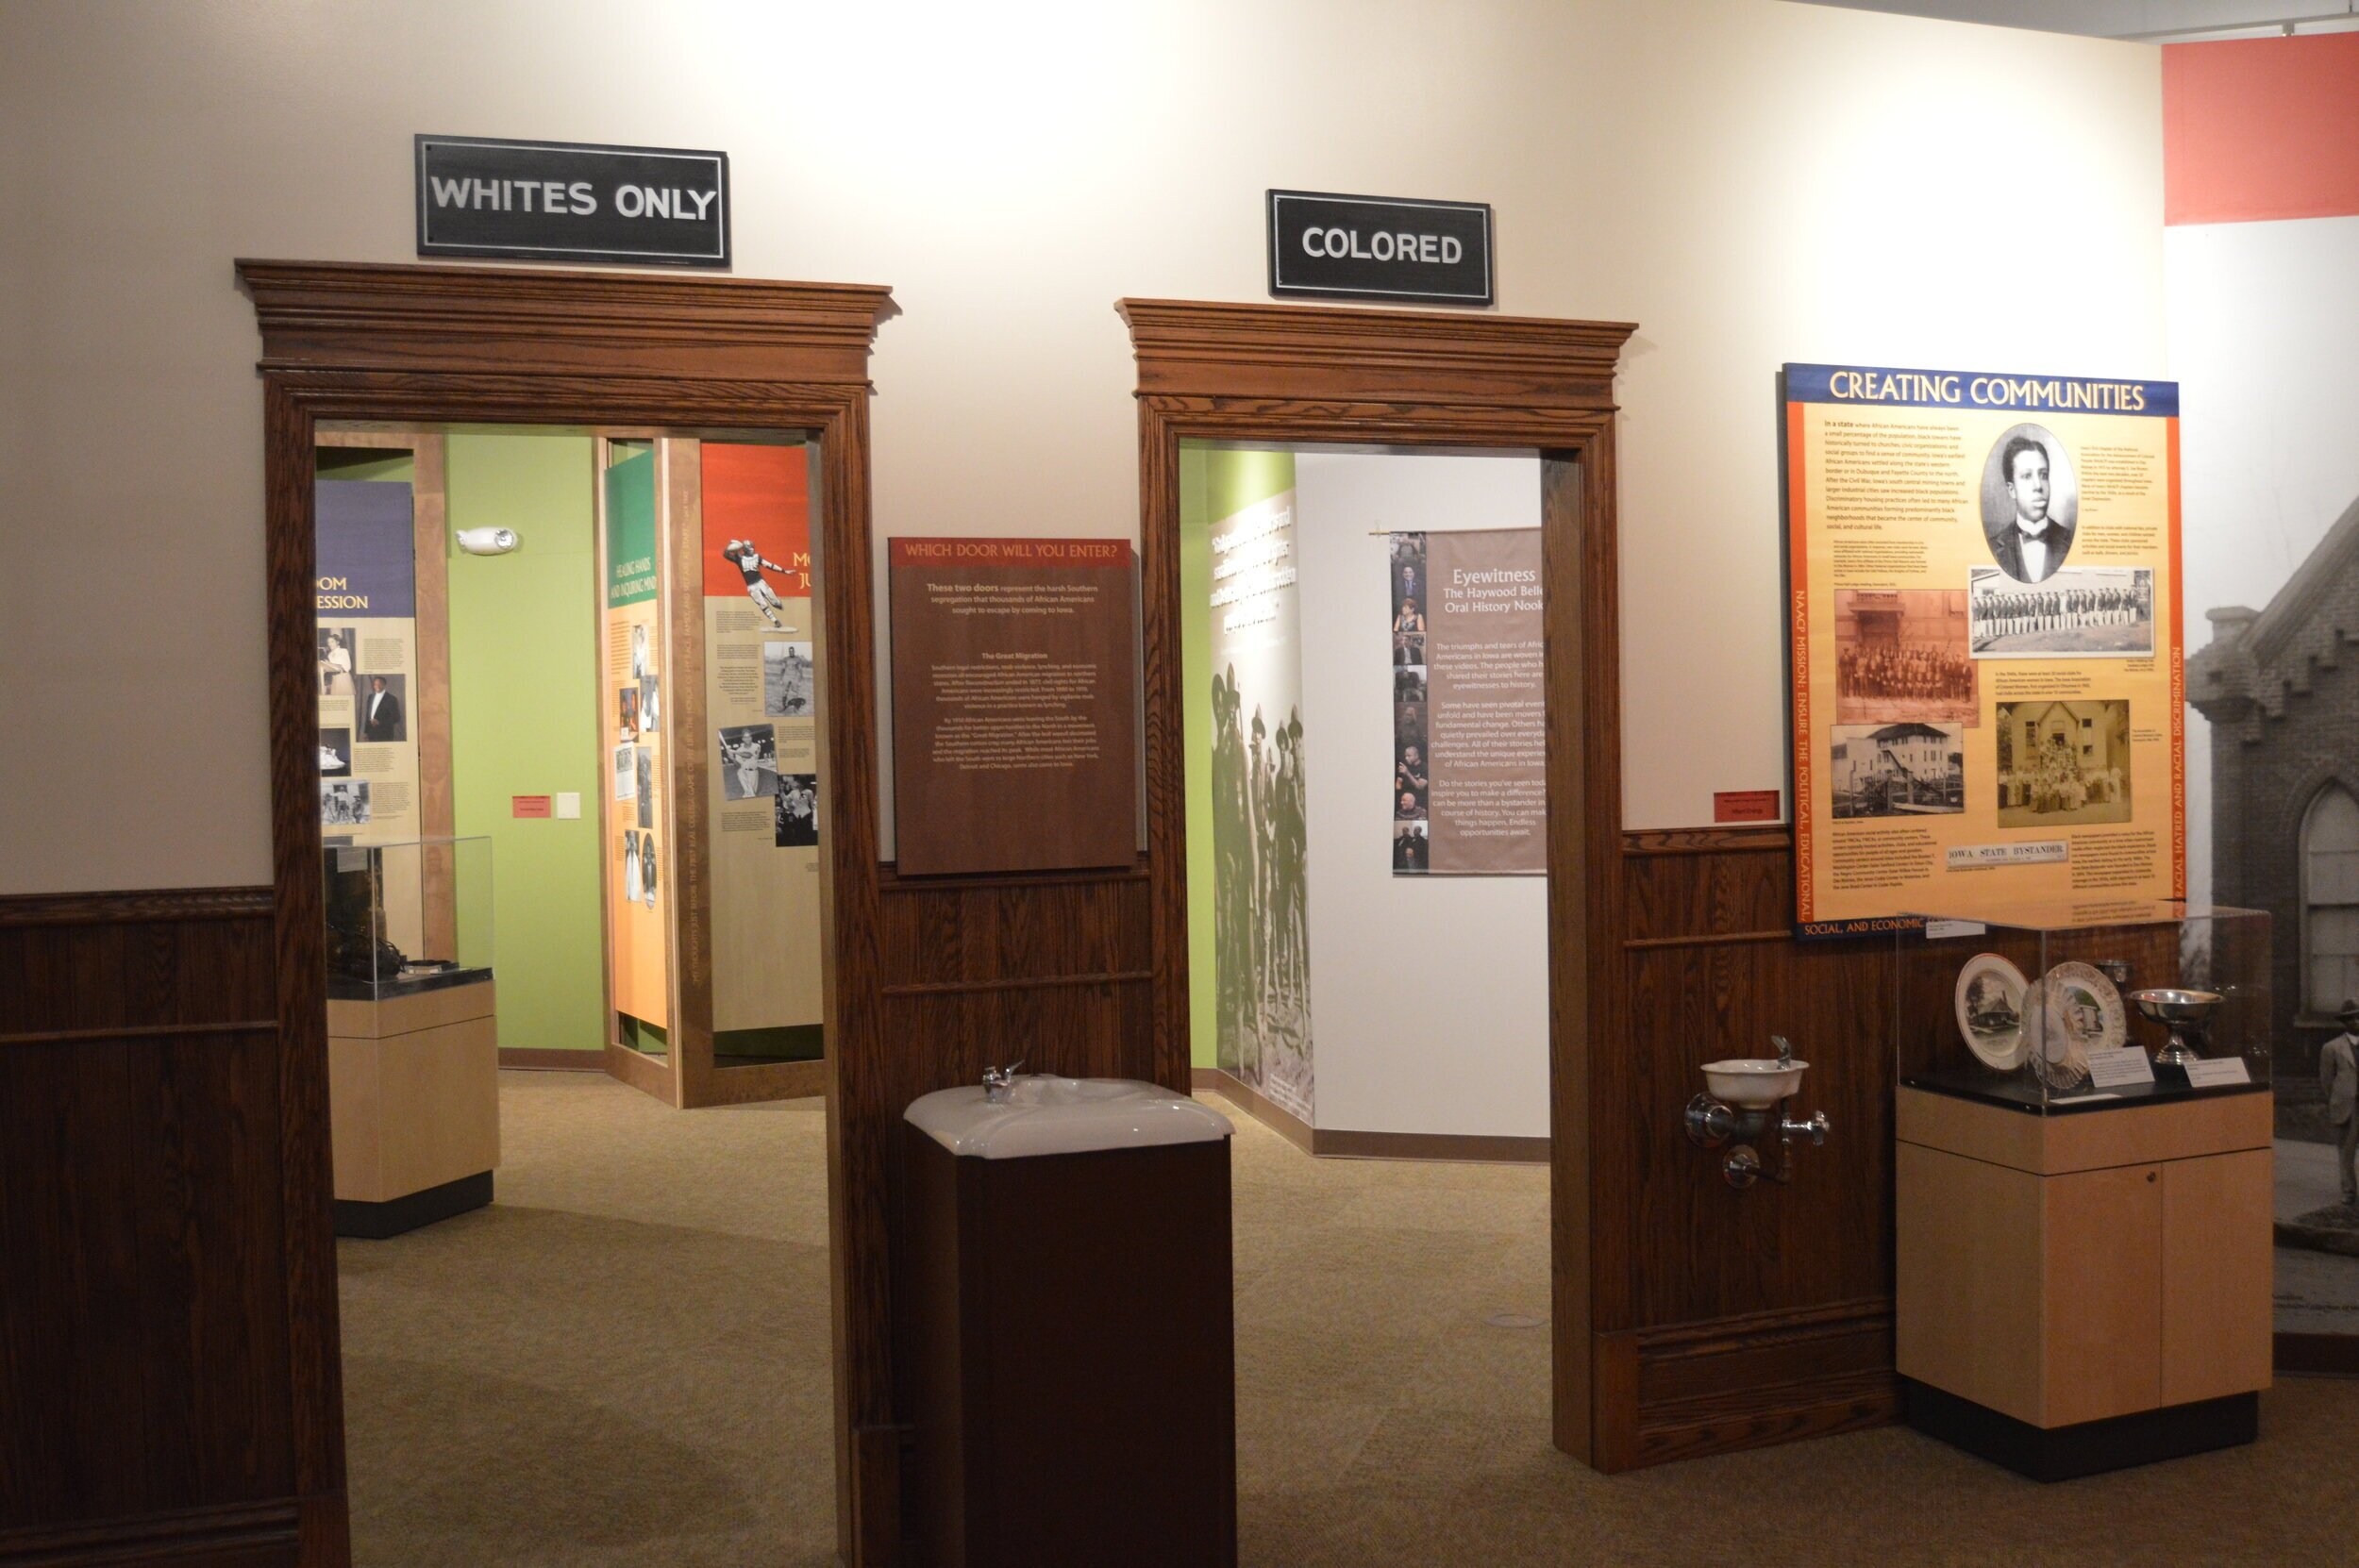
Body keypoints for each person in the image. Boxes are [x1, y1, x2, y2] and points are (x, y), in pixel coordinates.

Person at [1987, 434, 2073, 583]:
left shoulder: (2070, 540)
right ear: (2012, 490)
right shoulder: (1993, 547)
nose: (2038, 486)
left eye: (2043, 475)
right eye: (2027, 476)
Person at [2323, 1001, 2359, 1207]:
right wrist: (2339, 1099)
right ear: (2344, 1023)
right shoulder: (2332, 1048)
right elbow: (2327, 1080)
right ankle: (2348, 1192)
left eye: (2358, 1017)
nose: (2355, 1021)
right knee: (2346, 1150)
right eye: (2350, 1018)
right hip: (2347, 1106)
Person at [721, 538, 797, 630]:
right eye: (750, 547)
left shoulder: (757, 557)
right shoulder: (739, 559)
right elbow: (725, 554)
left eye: (752, 547)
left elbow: (770, 565)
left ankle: (783, 612)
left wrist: (784, 571)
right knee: (763, 604)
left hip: (761, 582)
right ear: (745, 549)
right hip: (751, 586)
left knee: (776, 602)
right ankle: (776, 621)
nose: (752, 549)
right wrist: (732, 546)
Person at [361, 676, 403, 742]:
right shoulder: (370, 697)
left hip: (385, 734)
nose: (377, 686)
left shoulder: (392, 699)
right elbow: (367, 716)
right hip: (371, 733)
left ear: (384, 684)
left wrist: (380, 722)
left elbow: (396, 718)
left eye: (379, 684)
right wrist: (366, 732)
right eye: (375, 684)